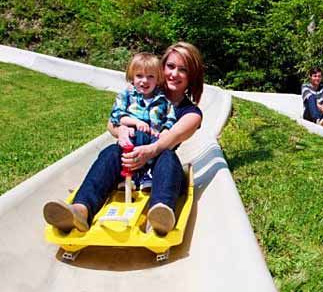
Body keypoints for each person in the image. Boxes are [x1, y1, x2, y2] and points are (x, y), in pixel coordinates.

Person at [43, 42, 204, 236]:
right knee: (111, 152)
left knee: (167, 157)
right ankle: (80, 211)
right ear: (162, 67)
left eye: (183, 70)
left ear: (191, 76)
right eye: (170, 66)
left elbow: (170, 138)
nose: (174, 74)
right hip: (129, 162)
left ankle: (159, 216)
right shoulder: (141, 90)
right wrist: (121, 132)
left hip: (159, 168)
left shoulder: (191, 113)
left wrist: (149, 151)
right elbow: (111, 123)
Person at [109, 52, 177, 190]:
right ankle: (130, 177)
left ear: (157, 79)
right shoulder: (127, 95)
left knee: (155, 147)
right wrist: (135, 122)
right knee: (136, 138)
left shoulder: (163, 100)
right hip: (132, 136)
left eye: (150, 76)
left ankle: (147, 175)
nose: (144, 81)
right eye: (139, 76)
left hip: (153, 139)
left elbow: (170, 118)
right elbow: (117, 115)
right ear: (132, 77)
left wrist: (164, 130)